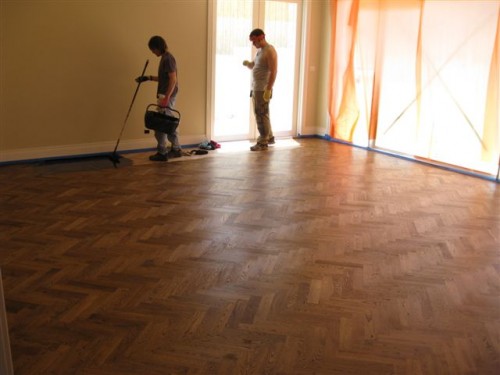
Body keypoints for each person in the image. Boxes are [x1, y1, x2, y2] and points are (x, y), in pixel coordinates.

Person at [136, 35, 182, 161]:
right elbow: (164, 78)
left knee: (163, 124)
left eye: (153, 49)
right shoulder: (165, 58)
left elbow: (173, 79)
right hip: (164, 95)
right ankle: (174, 149)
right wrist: (148, 78)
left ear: (158, 47)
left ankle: (164, 152)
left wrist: (167, 97)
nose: (152, 52)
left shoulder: (168, 59)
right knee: (165, 122)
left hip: (167, 96)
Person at [243, 28, 277, 151]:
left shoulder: (270, 51)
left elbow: (274, 71)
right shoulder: (260, 51)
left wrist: (268, 89)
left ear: (261, 37)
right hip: (256, 88)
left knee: (260, 115)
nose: (253, 44)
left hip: (263, 89)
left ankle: (263, 142)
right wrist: (248, 64)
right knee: (264, 113)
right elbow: (254, 65)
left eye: (254, 41)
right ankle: (270, 137)